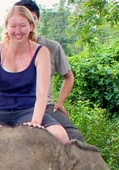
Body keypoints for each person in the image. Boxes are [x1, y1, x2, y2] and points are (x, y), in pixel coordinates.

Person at [0, 5, 69, 155]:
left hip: (28, 110)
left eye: (23, 26)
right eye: (13, 26)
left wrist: (36, 123)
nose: (18, 31)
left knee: (61, 136)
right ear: (6, 27)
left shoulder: (41, 52)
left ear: (31, 26)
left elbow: (42, 93)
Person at [14, 0, 84, 141]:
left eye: (29, 19)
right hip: (15, 107)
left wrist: (60, 102)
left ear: (36, 21)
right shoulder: (2, 49)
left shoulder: (51, 47)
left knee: (76, 137)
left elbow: (69, 77)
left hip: (46, 106)